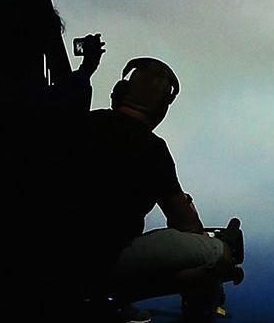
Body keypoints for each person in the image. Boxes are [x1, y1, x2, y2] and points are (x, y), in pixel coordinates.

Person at [56, 57, 244, 323]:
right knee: (218, 256)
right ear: (162, 108)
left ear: (119, 93)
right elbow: (187, 225)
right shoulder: (152, 149)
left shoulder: (78, 124)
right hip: (101, 264)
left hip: (50, 257)